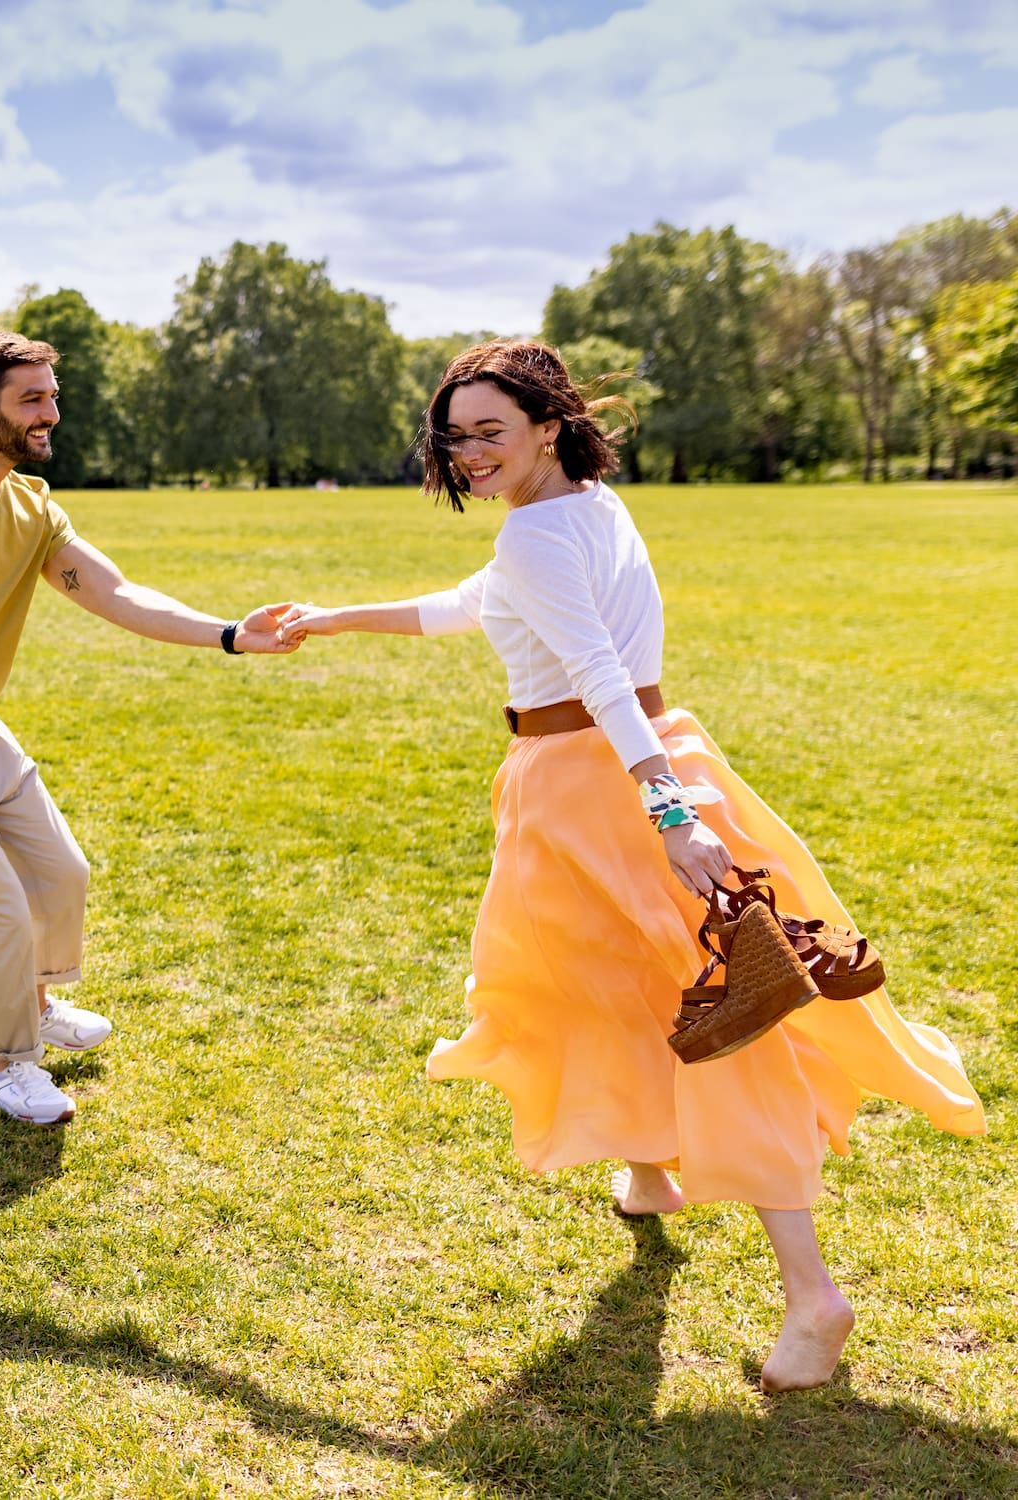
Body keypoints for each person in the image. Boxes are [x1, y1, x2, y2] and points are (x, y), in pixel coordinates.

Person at [277, 339, 983, 1392]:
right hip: (635, 765)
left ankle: (811, 1296)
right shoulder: (582, 509)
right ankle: (649, 1171)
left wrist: (667, 816)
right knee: (617, 987)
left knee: (726, 1018)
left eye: (488, 432)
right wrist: (329, 615)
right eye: (454, 434)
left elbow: (600, 676)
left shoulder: (541, 536)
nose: (467, 452)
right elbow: (466, 607)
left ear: (545, 427)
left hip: (598, 783)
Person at [0, 331, 297, 1126]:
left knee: (60, 877)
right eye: (32, 399)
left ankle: (34, 1008)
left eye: (52, 395)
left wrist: (229, 634)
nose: (52, 413)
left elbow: (118, 594)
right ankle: (9, 1067)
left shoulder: (32, 508)